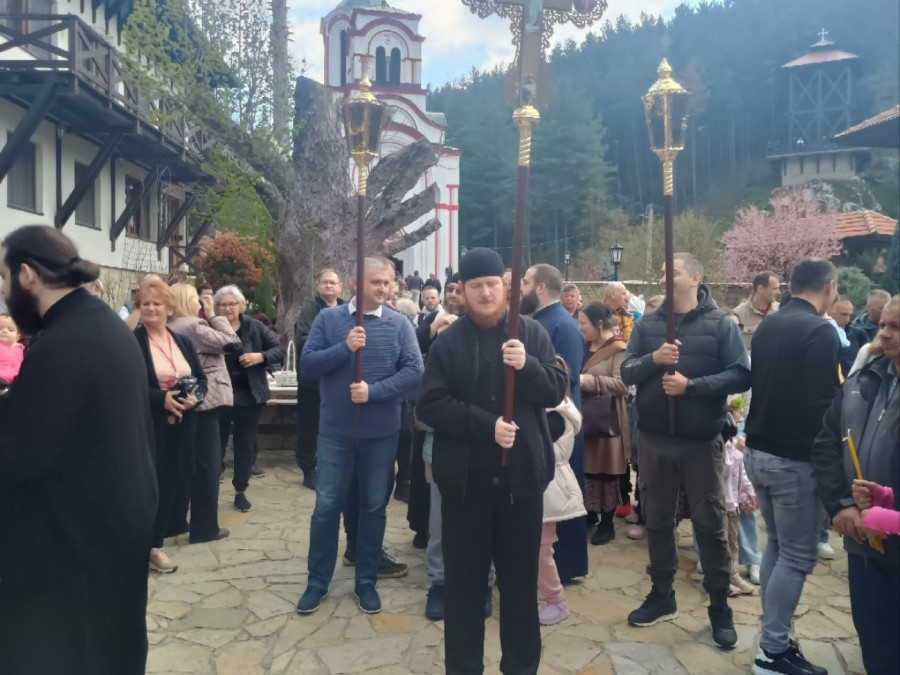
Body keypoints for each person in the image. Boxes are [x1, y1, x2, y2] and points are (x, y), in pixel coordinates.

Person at [0, 225, 158, 674]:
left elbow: (20, 456)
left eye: (4, 279)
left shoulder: (62, 343)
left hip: (72, 545)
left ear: (27, 274)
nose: (5, 293)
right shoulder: (101, 324)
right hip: (113, 528)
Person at [417, 248, 567, 674]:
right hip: (466, 486)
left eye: (491, 285)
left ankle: (520, 667)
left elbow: (556, 389)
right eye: (475, 286)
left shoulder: (531, 333)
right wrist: (486, 425)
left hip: (521, 484)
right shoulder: (448, 343)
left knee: (519, 588)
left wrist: (527, 366)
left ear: (504, 287)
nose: (485, 293)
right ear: (462, 291)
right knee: (464, 590)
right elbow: (429, 404)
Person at [622, 252, 749, 650]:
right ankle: (662, 595)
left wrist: (691, 386)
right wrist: (654, 359)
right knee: (658, 520)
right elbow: (626, 370)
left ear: (695, 277)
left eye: (672, 272)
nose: (664, 277)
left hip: (700, 442)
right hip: (655, 440)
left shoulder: (720, 324)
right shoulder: (648, 324)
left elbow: (741, 373)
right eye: (661, 271)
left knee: (709, 525)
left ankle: (719, 607)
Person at [296, 257, 424, 615]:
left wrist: (374, 391)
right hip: (335, 431)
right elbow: (308, 366)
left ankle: (366, 581)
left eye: (387, 282)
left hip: (380, 433)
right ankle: (317, 582)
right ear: (356, 282)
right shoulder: (329, 319)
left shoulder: (399, 324)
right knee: (326, 506)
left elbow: (415, 371)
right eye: (376, 282)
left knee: (373, 507)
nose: (384, 288)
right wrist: (345, 348)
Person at [743, 259, 841, 675]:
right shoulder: (820, 330)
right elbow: (826, 405)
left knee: (778, 548)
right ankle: (772, 651)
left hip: (758, 452)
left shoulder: (770, 325)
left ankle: (774, 640)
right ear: (829, 287)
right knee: (797, 556)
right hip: (794, 460)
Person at [811, 294, 899, 675]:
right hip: (865, 545)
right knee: (876, 643)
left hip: (887, 533)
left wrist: (883, 516)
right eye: (883, 325)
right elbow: (826, 443)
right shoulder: (861, 380)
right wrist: (841, 505)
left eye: (896, 327)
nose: (885, 334)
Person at [134, 280, 207, 573]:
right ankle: (146, 545)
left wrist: (194, 399)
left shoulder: (182, 342)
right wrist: (159, 398)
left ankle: (155, 543)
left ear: (169, 309)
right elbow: (124, 385)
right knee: (148, 486)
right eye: (145, 303)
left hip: (182, 425)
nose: (151, 308)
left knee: (173, 482)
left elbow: (201, 380)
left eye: (157, 304)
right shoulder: (133, 342)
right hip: (148, 426)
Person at [521, 263, 588, 581]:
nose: (520, 288)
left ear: (540, 287)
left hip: (559, 426)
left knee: (563, 497)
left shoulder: (561, 324)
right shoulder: (541, 320)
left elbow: (565, 378)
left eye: (525, 282)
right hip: (543, 421)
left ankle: (566, 566)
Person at [169, 283, 240, 544]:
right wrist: (213, 314)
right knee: (207, 465)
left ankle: (175, 522)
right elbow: (232, 343)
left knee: (184, 464)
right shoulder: (193, 325)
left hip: (183, 400)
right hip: (205, 399)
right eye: (195, 299)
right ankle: (205, 528)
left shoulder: (170, 325)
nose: (199, 303)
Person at [216, 285, 285, 512]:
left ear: (241, 305)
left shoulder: (254, 326)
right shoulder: (211, 327)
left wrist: (260, 357)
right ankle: (210, 490)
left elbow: (279, 349)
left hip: (248, 393)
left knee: (244, 446)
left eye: (232, 304)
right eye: (223, 304)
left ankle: (240, 491)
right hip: (219, 394)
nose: (228, 308)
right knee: (215, 445)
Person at [538, 358, 585, 626]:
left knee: (541, 549)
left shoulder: (554, 415)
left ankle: (556, 600)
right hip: (545, 485)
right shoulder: (551, 409)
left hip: (549, 487)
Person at [578, 302, 630, 545]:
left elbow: (622, 384)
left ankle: (607, 523)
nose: (580, 328)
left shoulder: (618, 348)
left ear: (599, 324)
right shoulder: (584, 345)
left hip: (607, 417)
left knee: (606, 471)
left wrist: (588, 381)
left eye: (583, 323)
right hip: (585, 415)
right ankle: (589, 513)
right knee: (587, 467)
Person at [294, 269, 344, 489]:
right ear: (318, 286)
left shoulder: (346, 308)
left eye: (333, 282)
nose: (329, 286)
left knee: (335, 426)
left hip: (339, 381)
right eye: (325, 282)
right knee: (309, 426)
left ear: (340, 286)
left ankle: (333, 466)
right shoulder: (310, 309)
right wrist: (336, 347)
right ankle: (309, 468)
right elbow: (302, 340)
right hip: (312, 382)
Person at [721, 434, 757, 597]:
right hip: (720, 503)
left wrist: (750, 493)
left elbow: (742, 472)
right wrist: (737, 450)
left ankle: (732, 574)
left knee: (732, 541)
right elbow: (725, 469)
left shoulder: (734, 443)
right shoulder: (719, 445)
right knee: (721, 542)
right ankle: (720, 578)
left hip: (733, 503)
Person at [733, 271, 781, 350]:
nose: (778, 292)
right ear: (760, 289)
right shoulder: (737, 315)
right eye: (774, 289)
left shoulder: (781, 311)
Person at [831, 296, 867, 378]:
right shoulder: (822, 334)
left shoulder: (858, 333)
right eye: (843, 314)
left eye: (849, 315)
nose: (847, 319)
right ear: (831, 311)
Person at [0, 313, 24, 386]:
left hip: (13, 384)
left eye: (10, 330)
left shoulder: (21, 350)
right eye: (0, 328)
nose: (4, 331)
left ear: (17, 337)